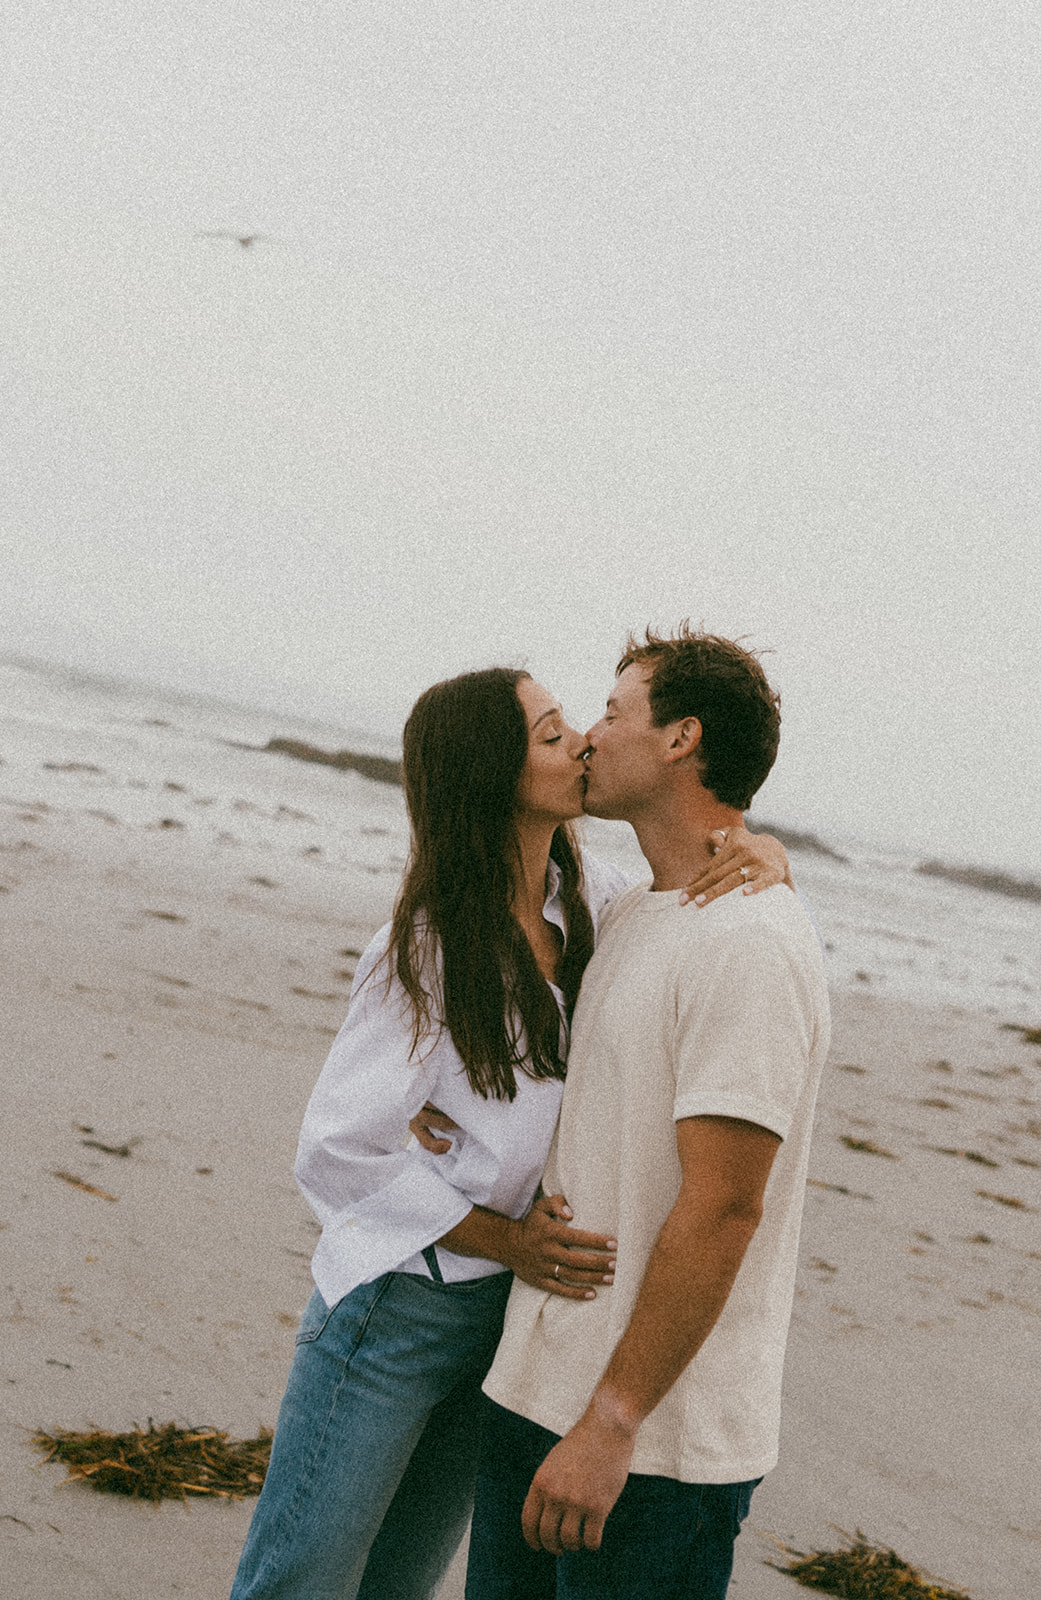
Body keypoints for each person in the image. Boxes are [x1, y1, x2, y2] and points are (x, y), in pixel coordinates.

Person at [228, 664, 790, 1600]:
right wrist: (507, 1239)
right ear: (494, 774)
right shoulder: (428, 945)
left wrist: (765, 851)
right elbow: (336, 1148)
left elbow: (694, 874)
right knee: (304, 1576)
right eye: (549, 732)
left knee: (401, 1580)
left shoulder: (594, 905)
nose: (579, 741)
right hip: (397, 1310)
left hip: (506, 1321)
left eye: (576, 721)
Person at [464, 628, 831, 1600]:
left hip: (650, 1452)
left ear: (681, 738)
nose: (588, 735)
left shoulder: (749, 944)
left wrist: (614, 1419)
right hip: (537, 1400)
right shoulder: (632, 912)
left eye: (615, 711)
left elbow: (724, 1207)